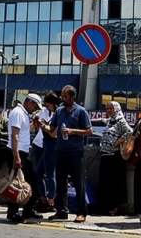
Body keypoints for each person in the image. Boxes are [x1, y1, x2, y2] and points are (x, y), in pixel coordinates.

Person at [48, 85, 92, 223]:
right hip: (60, 150)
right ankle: (61, 211)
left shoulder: (81, 111)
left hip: (75, 151)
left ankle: (81, 212)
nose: (62, 98)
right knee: (61, 182)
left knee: (78, 181)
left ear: (72, 97)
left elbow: (89, 131)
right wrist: (41, 125)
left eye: (65, 96)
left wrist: (73, 131)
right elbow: (52, 129)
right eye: (62, 96)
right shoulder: (59, 111)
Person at [5, 93, 43, 224]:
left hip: (23, 152)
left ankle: (28, 209)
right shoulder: (18, 113)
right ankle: (13, 212)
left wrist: (34, 124)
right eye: (35, 106)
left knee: (28, 183)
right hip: (17, 152)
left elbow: (24, 130)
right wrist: (16, 157)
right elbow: (14, 135)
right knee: (17, 184)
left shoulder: (24, 114)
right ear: (29, 102)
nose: (35, 109)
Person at [94, 100, 132, 216]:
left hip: (114, 157)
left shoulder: (120, 120)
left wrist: (118, 141)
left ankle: (115, 207)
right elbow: (102, 120)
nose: (109, 111)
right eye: (107, 108)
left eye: (111, 108)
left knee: (114, 184)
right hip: (105, 155)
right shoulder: (110, 121)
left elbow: (129, 131)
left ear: (117, 109)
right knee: (105, 183)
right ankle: (105, 206)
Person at [33, 92, 61, 213]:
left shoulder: (59, 114)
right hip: (46, 143)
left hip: (52, 144)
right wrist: (38, 124)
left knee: (50, 174)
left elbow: (53, 133)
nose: (47, 108)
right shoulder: (48, 113)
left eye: (48, 105)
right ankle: (43, 199)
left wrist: (43, 125)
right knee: (38, 173)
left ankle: (51, 201)